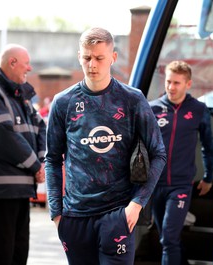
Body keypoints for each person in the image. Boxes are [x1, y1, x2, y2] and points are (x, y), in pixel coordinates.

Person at [45, 27, 167, 265]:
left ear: (113, 57)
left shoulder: (132, 100)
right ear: (79, 56)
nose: (92, 64)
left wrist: (136, 204)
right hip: (75, 218)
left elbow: (158, 153)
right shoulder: (63, 102)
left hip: (116, 214)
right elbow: (51, 159)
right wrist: (56, 214)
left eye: (99, 58)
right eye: (87, 57)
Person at [0, 44, 46, 265]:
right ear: (12, 63)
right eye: (26, 63)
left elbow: (41, 127)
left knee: (18, 255)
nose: (30, 68)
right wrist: (35, 165)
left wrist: (40, 162)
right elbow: (4, 137)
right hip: (3, 190)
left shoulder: (20, 97)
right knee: (1, 256)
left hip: (21, 188)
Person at [149, 60, 213, 265]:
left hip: (180, 185)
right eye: (169, 81)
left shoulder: (198, 109)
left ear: (188, 84)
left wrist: (208, 177)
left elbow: (208, 146)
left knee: (169, 237)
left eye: (177, 83)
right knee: (168, 238)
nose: (171, 87)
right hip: (155, 184)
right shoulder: (152, 108)